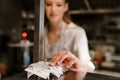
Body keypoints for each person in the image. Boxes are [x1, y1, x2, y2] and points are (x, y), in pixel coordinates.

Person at [44, 0, 95, 79]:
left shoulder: (77, 33)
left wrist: (79, 64)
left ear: (65, 7)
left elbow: (89, 67)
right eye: (48, 4)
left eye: (58, 5)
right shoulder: (41, 33)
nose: (53, 9)